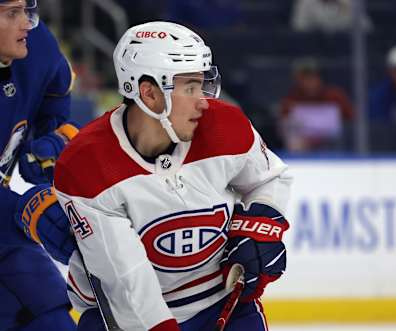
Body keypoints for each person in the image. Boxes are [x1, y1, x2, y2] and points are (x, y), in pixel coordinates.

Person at [54, 21, 292, 331]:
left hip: (219, 303)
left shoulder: (224, 126)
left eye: (202, 85)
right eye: (190, 87)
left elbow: (269, 178)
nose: (203, 100)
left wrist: (259, 224)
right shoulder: (86, 165)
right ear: (149, 93)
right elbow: (129, 285)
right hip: (121, 319)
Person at [0, 0, 78, 330]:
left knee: (51, 311)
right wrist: (27, 208)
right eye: (12, 13)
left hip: (3, 228)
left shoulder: (38, 46)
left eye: (28, 10)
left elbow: (55, 94)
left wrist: (50, 139)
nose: (27, 24)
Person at [279, 57, 353, 152]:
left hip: (334, 144)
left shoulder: (335, 96)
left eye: (313, 77)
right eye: (305, 78)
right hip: (303, 146)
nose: (309, 82)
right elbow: (284, 126)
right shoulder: (291, 99)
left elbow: (352, 119)